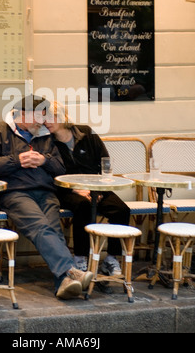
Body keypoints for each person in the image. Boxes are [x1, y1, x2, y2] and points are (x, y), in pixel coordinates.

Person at [0, 95, 93, 299]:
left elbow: (60, 168)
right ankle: (71, 270)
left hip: (46, 192)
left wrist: (43, 161)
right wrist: (16, 160)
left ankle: (64, 283)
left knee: (53, 229)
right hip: (15, 193)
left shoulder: (45, 135)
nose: (42, 120)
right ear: (22, 114)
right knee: (40, 226)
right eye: (39, 115)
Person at [45, 101, 131, 275]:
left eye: (51, 116)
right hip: (66, 190)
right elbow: (48, 173)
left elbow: (104, 162)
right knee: (83, 207)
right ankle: (80, 258)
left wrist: (96, 189)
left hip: (96, 187)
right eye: (43, 117)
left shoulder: (86, 133)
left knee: (121, 210)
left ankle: (112, 258)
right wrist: (75, 189)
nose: (47, 121)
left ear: (63, 117)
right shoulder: (47, 142)